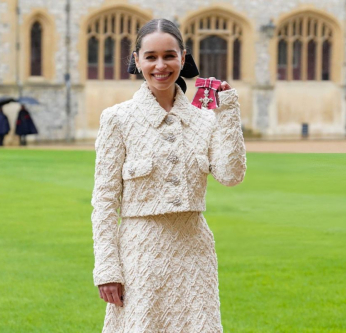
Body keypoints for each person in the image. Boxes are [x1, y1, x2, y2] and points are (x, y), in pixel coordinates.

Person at [91, 18, 246, 332]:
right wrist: (107, 269)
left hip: (194, 253)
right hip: (139, 255)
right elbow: (105, 201)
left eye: (169, 55)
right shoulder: (117, 119)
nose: (160, 65)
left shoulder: (205, 120)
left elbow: (231, 175)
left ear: (183, 57)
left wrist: (227, 111)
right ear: (137, 60)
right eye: (151, 57)